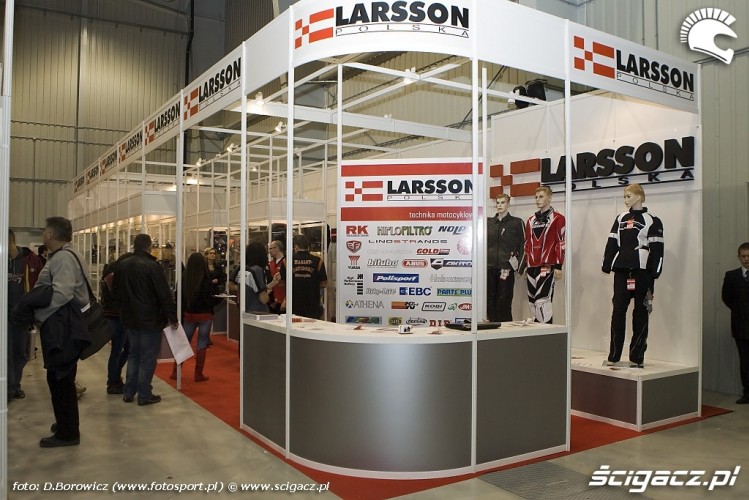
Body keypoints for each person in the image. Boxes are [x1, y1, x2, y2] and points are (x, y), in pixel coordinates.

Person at [33, 217, 90, 447]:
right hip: (64, 325)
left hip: (63, 327)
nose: (43, 234)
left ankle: (68, 433)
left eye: (45, 230)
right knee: (61, 378)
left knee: (60, 379)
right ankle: (66, 424)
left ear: (50, 234)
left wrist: (40, 315)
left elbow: (62, 294)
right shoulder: (66, 255)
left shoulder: (64, 258)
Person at [602, 184, 664, 368]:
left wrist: (656, 272)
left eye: (628, 196)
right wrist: (607, 264)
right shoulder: (620, 218)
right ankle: (614, 355)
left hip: (642, 270)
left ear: (639, 196)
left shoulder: (653, 220)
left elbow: (658, 249)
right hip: (621, 269)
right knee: (618, 312)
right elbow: (612, 242)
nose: (626, 199)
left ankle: (637, 358)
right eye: (624, 196)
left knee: (641, 313)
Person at [114, 234, 178, 406]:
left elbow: (116, 291)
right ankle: (144, 395)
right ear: (149, 246)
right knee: (148, 357)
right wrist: (172, 317)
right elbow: (164, 294)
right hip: (150, 319)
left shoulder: (123, 265)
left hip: (130, 318)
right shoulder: (152, 266)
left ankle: (129, 392)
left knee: (134, 354)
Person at [7, 229, 43, 401]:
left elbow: (37, 286)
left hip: (21, 316)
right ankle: (8, 386)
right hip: (4, 316)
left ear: (11, 240)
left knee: (19, 352)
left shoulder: (28, 260)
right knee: (6, 352)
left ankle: (15, 385)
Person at [522, 186, 565, 323]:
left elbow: (560, 242)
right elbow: (527, 244)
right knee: (532, 302)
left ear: (549, 198)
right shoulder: (530, 220)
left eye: (541, 196)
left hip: (547, 265)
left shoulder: (558, 218)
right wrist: (525, 265)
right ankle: (536, 333)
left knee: (542, 302)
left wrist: (558, 266)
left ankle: (547, 333)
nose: (538, 200)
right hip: (531, 266)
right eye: (536, 197)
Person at [176, 252, 220, 382]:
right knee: (202, 342)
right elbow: (213, 296)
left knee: (184, 342)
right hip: (205, 314)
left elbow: (179, 297)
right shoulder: (206, 278)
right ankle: (198, 373)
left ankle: (176, 370)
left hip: (189, 314)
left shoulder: (184, 278)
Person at [486, 194, 525, 322]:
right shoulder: (488, 223)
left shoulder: (517, 222)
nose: (499, 205)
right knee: (490, 298)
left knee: (504, 299)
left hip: (506, 267)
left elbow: (524, 245)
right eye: (498, 202)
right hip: (489, 267)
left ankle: (505, 328)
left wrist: (520, 267)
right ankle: (492, 326)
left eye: (503, 202)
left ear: (508, 204)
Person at [721, 242, 749, 404]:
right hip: (741, 327)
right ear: (739, 257)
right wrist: (740, 311)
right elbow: (726, 298)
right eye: (743, 256)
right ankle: (747, 393)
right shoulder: (731, 276)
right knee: (745, 361)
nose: (746, 259)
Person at [101, 253, 132, 394]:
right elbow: (119, 297)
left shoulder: (111, 275)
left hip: (116, 316)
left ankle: (115, 377)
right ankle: (113, 380)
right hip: (116, 317)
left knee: (125, 348)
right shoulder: (114, 277)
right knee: (118, 350)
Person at [228, 241, 278, 313]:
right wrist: (267, 294)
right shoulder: (257, 270)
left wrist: (272, 283)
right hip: (258, 311)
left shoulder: (241, 268)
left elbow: (255, 287)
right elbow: (263, 299)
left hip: (244, 309)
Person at [291, 234, 328, 320]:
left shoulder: (288, 260)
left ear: (296, 247)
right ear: (308, 247)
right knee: (311, 325)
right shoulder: (318, 261)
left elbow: (282, 283)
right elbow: (324, 283)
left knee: (295, 325)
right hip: (312, 301)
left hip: (294, 302)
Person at [267, 240, 286, 314]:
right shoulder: (270, 263)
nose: (269, 251)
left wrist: (285, 300)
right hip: (272, 300)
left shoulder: (286, 262)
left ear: (277, 248)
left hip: (282, 300)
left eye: (271, 249)